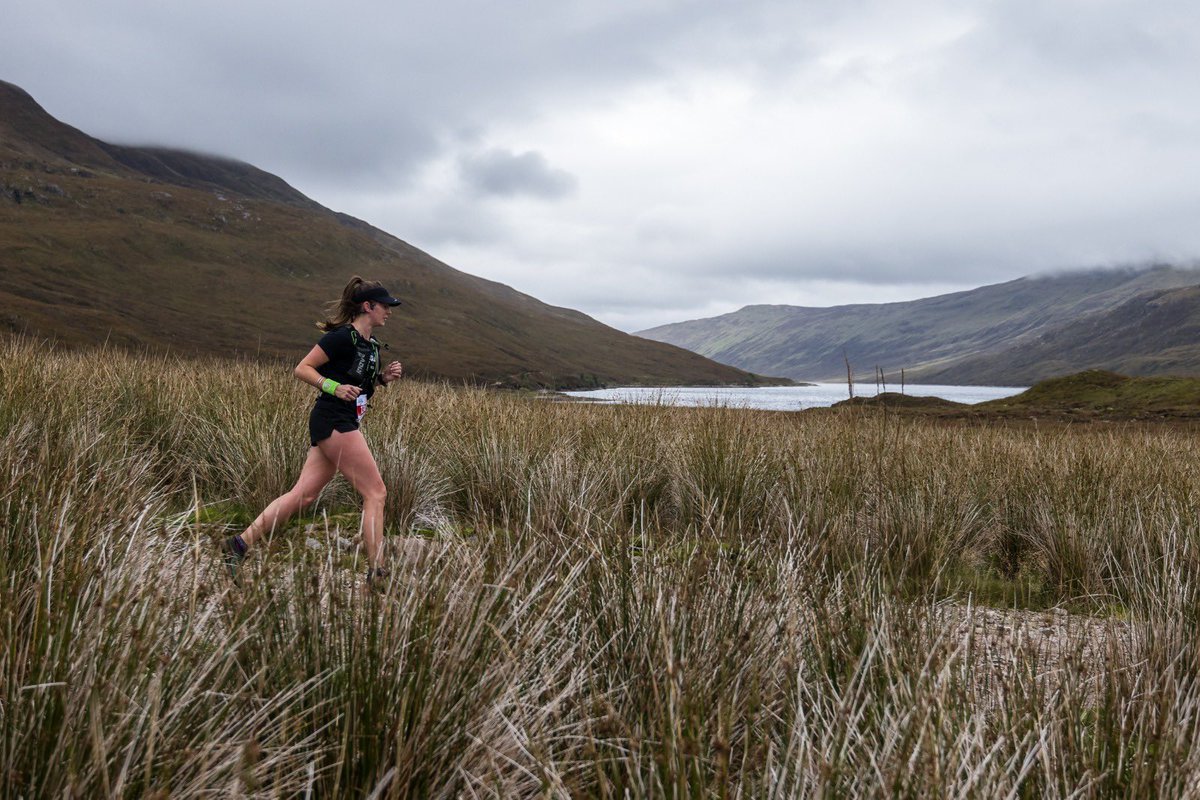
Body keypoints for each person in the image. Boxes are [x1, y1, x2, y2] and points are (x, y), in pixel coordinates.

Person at [221, 276, 404, 587]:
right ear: (367, 306)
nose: (389, 311)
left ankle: (238, 545)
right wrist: (332, 386)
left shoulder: (370, 346)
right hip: (334, 420)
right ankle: (378, 573)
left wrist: (383, 379)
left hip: (339, 420)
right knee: (376, 493)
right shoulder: (341, 338)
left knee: (303, 496)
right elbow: (303, 368)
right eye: (384, 306)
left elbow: (359, 388)